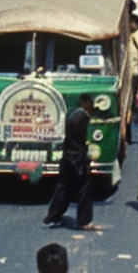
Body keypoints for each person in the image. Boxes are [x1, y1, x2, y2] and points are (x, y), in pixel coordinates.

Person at [44, 94, 96, 230]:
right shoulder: (83, 117)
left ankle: (53, 214)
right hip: (77, 158)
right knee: (84, 188)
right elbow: (81, 141)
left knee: (63, 186)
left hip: (67, 157)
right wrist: (86, 159)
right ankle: (84, 221)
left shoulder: (71, 115)